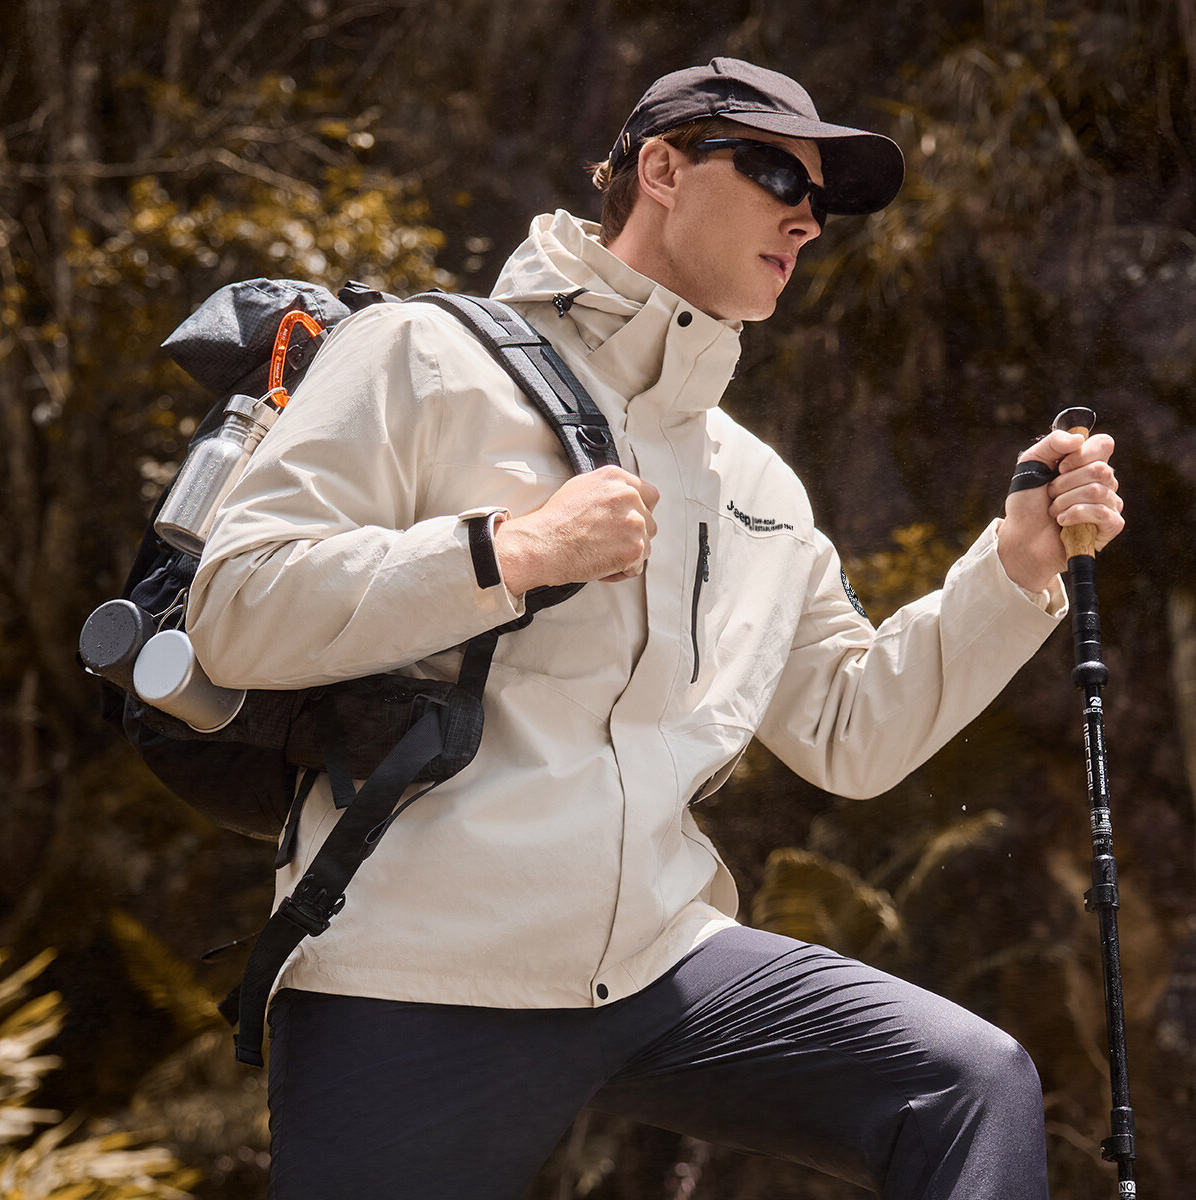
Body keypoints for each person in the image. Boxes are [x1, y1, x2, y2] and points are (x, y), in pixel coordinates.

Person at [187, 57, 1123, 1200]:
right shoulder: (421, 354)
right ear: (664, 170)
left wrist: (1015, 566)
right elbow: (235, 609)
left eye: (821, 201)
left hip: (659, 965)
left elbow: (851, 733)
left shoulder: (757, 483)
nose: (806, 217)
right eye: (776, 173)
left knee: (968, 1085)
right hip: (418, 970)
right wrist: (510, 551)